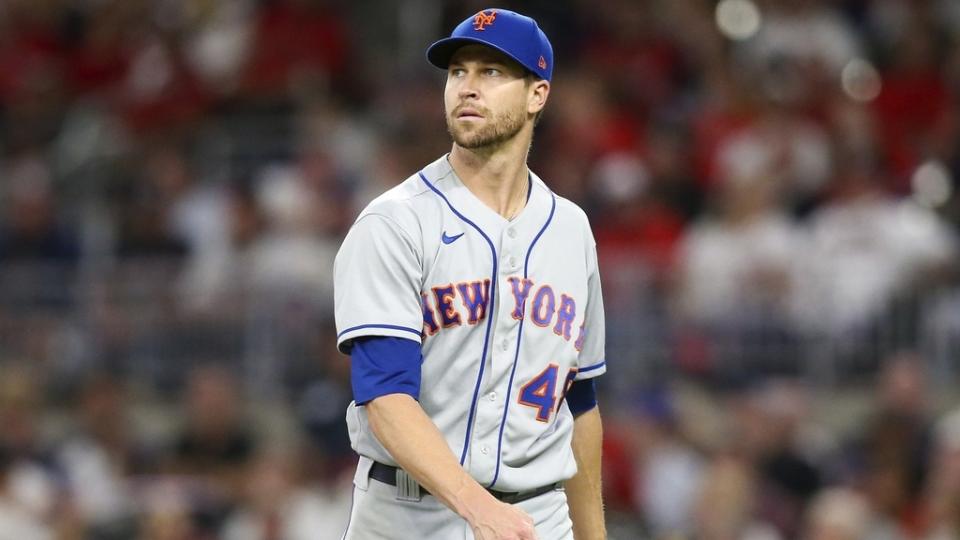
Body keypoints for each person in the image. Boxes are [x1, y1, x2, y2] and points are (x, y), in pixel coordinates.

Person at [333, 8, 607, 540]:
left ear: (537, 94)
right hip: (407, 515)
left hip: (538, 517)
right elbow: (385, 395)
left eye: (492, 72)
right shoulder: (395, 221)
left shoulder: (572, 230)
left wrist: (593, 536)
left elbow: (580, 403)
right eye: (458, 72)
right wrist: (477, 507)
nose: (468, 87)